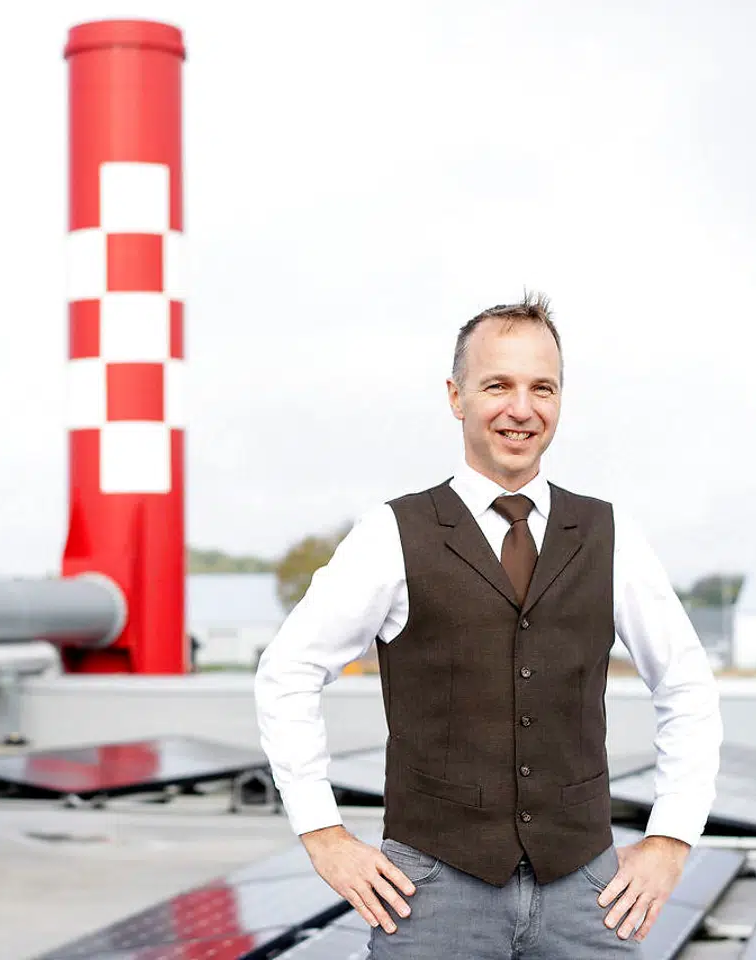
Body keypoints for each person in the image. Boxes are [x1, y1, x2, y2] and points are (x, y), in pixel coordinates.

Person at [253, 293, 722, 959]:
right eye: (498, 385)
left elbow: (687, 686)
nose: (521, 409)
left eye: (542, 388)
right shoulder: (392, 533)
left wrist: (671, 838)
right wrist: (322, 833)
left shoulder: (609, 533)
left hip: (588, 891)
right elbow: (286, 673)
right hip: (432, 892)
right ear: (456, 396)